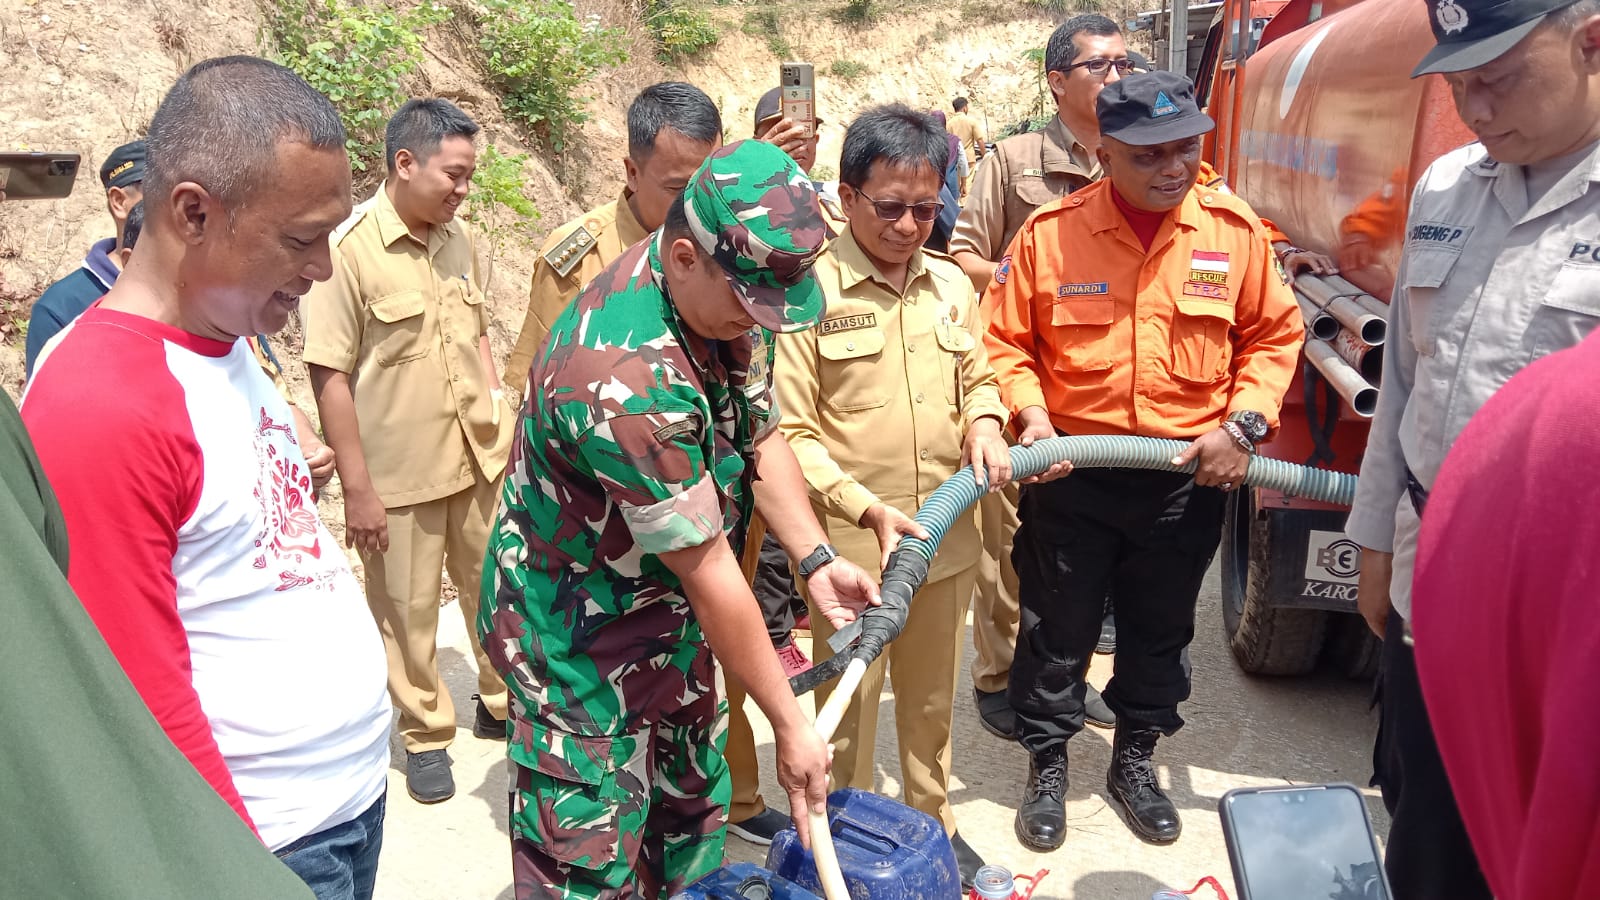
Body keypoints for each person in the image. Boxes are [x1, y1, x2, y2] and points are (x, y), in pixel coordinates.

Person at [20, 56, 392, 900]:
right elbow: (129, 701)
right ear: (193, 211)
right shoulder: (101, 401)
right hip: (255, 847)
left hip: (337, 809)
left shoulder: (225, 344)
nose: (325, 267)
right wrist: (227, 870)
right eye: (301, 239)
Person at [480, 139, 881, 898]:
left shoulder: (732, 297)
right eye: (749, 305)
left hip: (672, 627)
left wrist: (816, 556)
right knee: (589, 862)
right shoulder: (626, 376)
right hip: (577, 651)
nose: (757, 324)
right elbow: (707, 569)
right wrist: (790, 726)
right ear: (687, 255)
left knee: (690, 832)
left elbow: (758, 433)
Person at [983, 72, 1302, 851]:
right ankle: (1049, 763)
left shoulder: (1233, 234)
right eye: (1149, 154)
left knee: (1159, 629)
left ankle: (1134, 761)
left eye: (1186, 148)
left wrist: (1246, 426)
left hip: (1187, 475)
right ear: (1104, 151)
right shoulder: (1051, 235)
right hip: (1072, 475)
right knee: (1057, 630)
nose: (1173, 168)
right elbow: (1004, 342)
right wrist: (1030, 416)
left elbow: (1272, 336)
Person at [1345, 1, 1600, 896]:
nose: (1477, 110)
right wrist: (1375, 543)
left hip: (1561, 618)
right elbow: (1406, 383)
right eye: (1458, 83)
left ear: (1593, 39)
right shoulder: (1448, 186)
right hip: (1430, 575)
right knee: (1424, 826)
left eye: (1496, 77)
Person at [774, 104, 1033, 889]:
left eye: (925, 207)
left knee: (928, 705)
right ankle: (843, 837)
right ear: (846, 198)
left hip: (942, 541)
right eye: (889, 208)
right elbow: (791, 431)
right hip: (852, 553)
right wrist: (861, 508)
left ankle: (931, 825)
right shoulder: (802, 290)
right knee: (848, 706)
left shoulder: (952, 284)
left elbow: (979, 377)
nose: (908, 225)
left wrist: (988, 422)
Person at [303, 98, 514, 805]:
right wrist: (358, 488)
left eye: (468, 177)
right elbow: (329, 373)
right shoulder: (346, 250)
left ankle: (499, 701)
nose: (463, 190)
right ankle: (425, 731)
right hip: (399, 475)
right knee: (407, 611)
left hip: (477, 459)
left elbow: (479, 332)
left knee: (496, 591)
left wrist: (499, 417)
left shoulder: (460, 239)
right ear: (404, 163)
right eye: (453, 176)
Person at [950, 13, 1133, 740]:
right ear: (1059, 82)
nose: (1119, 77)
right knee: (1008, 547)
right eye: (1102, 66)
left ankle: (1066, 673)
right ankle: (998, 676)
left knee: (1085, 556)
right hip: (1022, 382)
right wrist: (1030, 278)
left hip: (1104, 397)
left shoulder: (1138, 155)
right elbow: (963, 252)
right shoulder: (1015, 159)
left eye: (1126, 64)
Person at [1412, 332, 1600, 900]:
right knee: (1425, 810)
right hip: (1447, 539)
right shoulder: (1428, 237)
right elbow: (1404, 382)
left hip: (1526, 546)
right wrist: (1373, 536)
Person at [501, 82, 723, 399]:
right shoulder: (581, 259)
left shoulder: (726, 243)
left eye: (709, 183)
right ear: (633, 172)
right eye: (678, 189)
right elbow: (543, 391)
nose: (696, 203)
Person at [24, 139, 145, 375]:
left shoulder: (197, 289)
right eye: (162, 191)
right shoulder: (59, 308)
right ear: (119, 201)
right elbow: (45, 406)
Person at [947, 96, 987, 200]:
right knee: (966, 188)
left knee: (956, 187)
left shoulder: (949, 124)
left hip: (954, 161)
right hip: (969, 159)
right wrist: (985, 156)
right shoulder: (971, 121)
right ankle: (964, 211)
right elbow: (980, 140)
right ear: (965, 108)